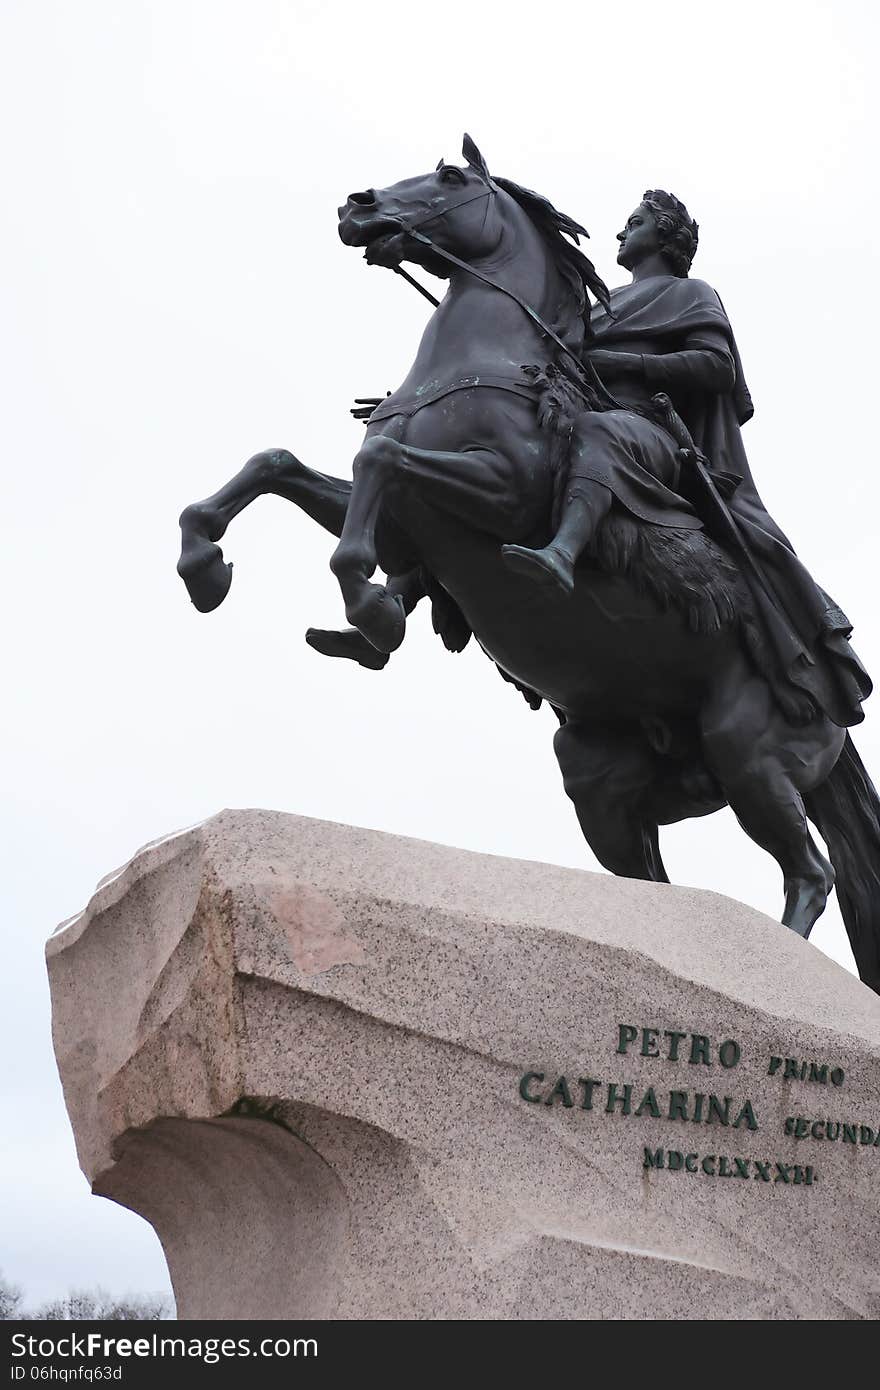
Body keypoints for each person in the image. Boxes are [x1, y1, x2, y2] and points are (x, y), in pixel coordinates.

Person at [500, 189, 870, 728]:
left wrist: (623, 361)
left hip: (647, 434)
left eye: (634, 222)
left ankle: (562, 551)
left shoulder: (691, 293)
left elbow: (717, 366)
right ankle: (401, 592)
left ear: (667, 236)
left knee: (598, 434)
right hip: (576, 414)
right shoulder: (590, 307)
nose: (620, 233)